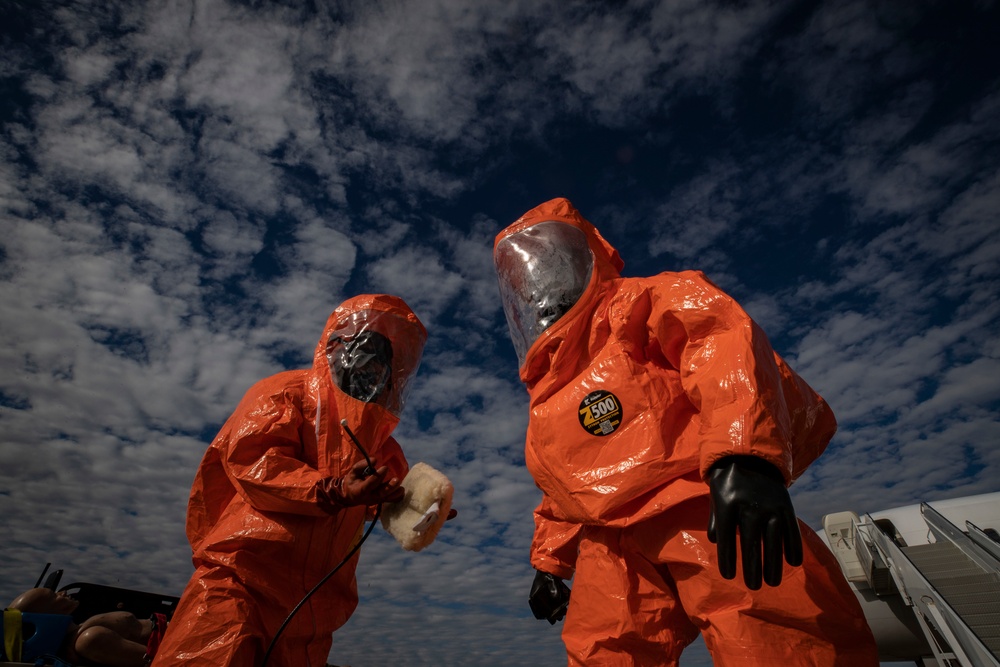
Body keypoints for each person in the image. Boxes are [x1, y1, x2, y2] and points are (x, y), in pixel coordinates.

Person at [493, 198, 878, 666]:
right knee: (605, 651)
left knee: (770, 629)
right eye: (528, 284)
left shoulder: (643, 303)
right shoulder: (549, 393)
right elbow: (561, 487)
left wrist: (743, 455)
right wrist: (549, 564)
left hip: (699, 502)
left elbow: (719, 343)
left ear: (585, 259)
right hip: (607, 541)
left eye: (553, 268)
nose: (540, 291)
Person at [153, 294, 428, 667]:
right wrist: (333, 490)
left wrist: (422, 508)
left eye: (384, 359)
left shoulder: (380, 442)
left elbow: (381, 500)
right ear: (335, 347)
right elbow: (252, 460)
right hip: (242, 583)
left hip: (314, 614)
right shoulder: (287, 392)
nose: (374, 366)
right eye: (366, 350)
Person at [6, 587, 168, 667]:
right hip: (179, 636)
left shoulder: (84, 631)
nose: (62, 592)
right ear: (43, 616)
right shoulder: (89, 640)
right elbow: (161, 662)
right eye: (53, 596)